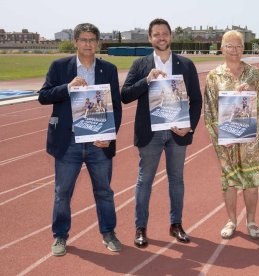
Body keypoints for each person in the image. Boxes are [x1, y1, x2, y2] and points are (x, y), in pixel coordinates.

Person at [38, 23, 123, 256]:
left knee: (104, 191)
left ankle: (108, 233)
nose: (87, 44)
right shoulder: (59, 66)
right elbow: (43, 96)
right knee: (62, 192)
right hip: (69, 143)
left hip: (99, 142)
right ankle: (60, 236)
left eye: (92, 40)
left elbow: (115, 106)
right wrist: (67, 87)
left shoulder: (109, 69)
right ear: (75, 42)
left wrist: (109, 135)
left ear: (98, 43)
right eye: (83, 39)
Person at [121, 18, 202, 248]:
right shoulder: (140, 64)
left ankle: (176, 224)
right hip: (150, 133)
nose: (161, 38)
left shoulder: (186, 64)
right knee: (144, 181)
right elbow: (125, 95)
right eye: (156, 34)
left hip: (178, 132)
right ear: (149, 38)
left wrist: (191, 125)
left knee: (177, 180)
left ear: (171, 36)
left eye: (164, 33)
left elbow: (196, 100)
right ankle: (140, 228)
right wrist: (146, 80)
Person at [204, 30, 259, 239]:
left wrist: (252, 91)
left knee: (251, 181)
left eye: (238, 46)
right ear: (222, 49)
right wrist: (219, 138)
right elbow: (209, 111)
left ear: (243, 48)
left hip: (251, 137)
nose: (234, 50)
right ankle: (231, 220)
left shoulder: (254, 73)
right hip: (226, 139)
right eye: (229, 46)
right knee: (230, 182)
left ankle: (251, 221)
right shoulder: (213, 76)